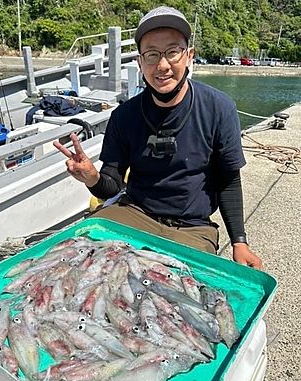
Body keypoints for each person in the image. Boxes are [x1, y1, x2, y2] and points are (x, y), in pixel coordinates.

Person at [54, 6, 263, 269]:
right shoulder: (124, 116)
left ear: (188, 56)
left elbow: (229, 180)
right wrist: (92, 177)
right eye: (152, 54)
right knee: (79, 255)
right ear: (140, 62)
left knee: (177, 287)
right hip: (135, 213)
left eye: (173, 52)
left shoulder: (219, 108)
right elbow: (111, 186)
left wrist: (239, 242)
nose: (162, 65)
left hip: (191, 228)